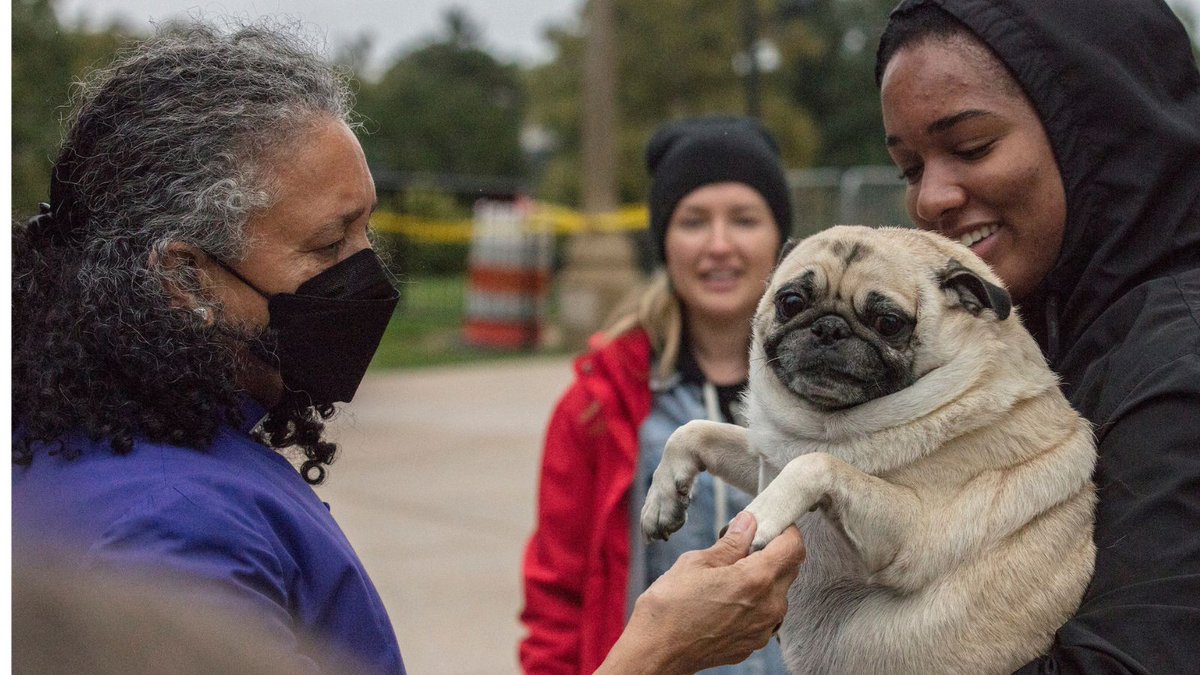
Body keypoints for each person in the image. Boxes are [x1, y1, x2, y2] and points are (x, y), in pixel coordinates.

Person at [11, 22, 804, 675]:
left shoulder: (161, 443)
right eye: (329, 245)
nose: (367, 274)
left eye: (367, 229)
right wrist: (656, 653)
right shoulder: (161, 538)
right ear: (186, 277)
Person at [875, 1, 1200, 672]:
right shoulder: (1042, 330)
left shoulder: (1176, 370)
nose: (930, 199)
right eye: (910, 168)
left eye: (971, 147)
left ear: (1098, 134)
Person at [521, 116, 798, 674]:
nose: (719, 245)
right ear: (664, 242)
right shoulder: (598, 404)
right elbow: (557, 599)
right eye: (693, 221)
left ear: (780, 238)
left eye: (744, 220)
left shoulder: (840, 394)